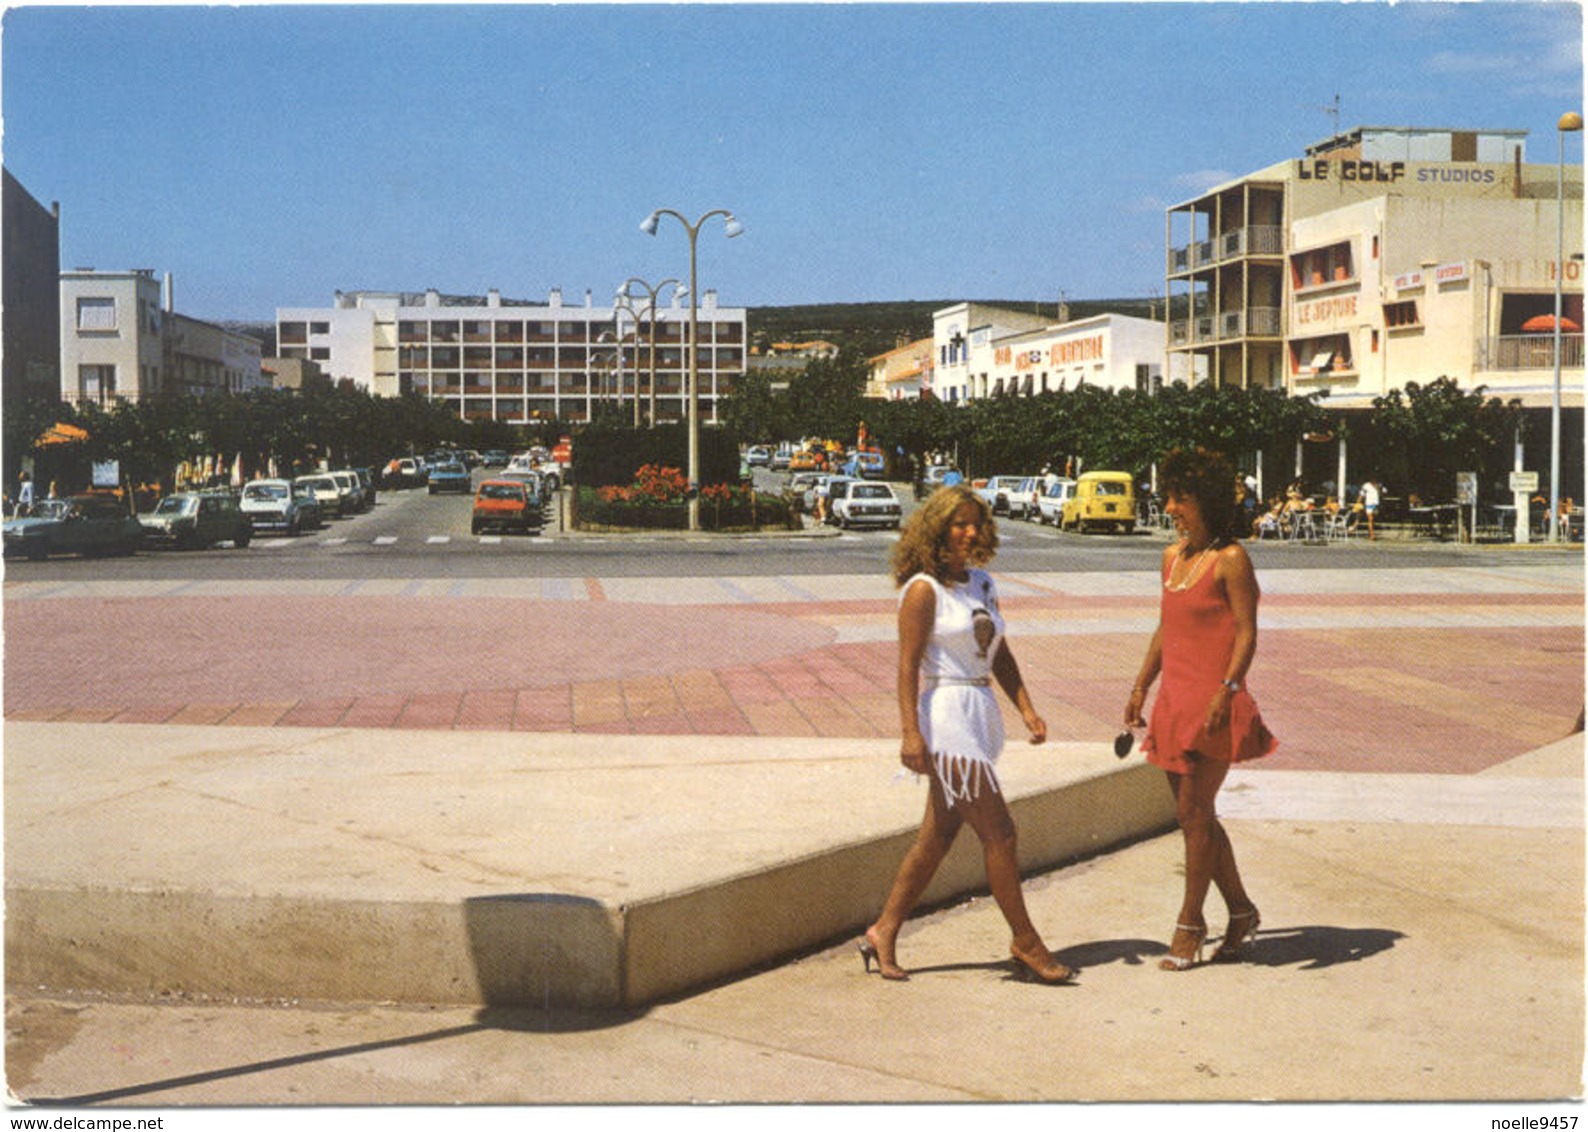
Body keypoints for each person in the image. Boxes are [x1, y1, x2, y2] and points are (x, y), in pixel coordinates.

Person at [861, 485, 1075, 984]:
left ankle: (883, 929)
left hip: (979, 710)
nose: (969, 531)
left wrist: (1026, 707)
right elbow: (907, 667)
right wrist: (910, 734)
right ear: (936, 528)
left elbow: (997, 650)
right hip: (947, 715)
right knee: (999, 831)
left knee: (938, 835)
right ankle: (1025, 941)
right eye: (958, 522)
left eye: (976, 522)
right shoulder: (922, 590)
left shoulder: (981, 584)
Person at [1125, 448, 1277, 971]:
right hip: (1175, 702)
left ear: (1206, 501)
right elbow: (1167, 629)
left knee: (1194, 816)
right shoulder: (1172, 558)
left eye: (1179, 499)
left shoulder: (1231, 559)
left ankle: (1190, 924)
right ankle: (1241, 911)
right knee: (1195, 816)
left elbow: (1247, 632)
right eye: (1168, 497)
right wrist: (1142, 685)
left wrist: (1228, 689)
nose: (1169, 507)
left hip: (1215, 703)